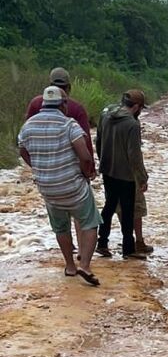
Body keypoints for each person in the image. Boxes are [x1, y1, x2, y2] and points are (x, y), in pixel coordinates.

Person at [17, 86, 101, 286]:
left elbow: (22, 151)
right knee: (89, 222)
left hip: (48, 189)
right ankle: (85, 266)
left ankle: (70, 267)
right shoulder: (69, 125)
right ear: (63, 104)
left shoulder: (28, 126)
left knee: (60, 227)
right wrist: (86, 171)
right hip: (73, 188)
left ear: (43, 104)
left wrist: (37, 168)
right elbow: (85, 156)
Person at [25, 67, 95, 253]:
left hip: (47, 173)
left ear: (49, 84)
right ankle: (82, 252)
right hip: (73, 169)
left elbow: (25, 139)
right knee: (83, 214)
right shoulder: (76, 108)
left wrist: (36, 166)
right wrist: (90, 168)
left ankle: (69, 259)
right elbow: (85, 141)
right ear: (69, 87)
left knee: (59, 219)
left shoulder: (35, 104)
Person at [95, 90, 148, 260]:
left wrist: (102, 160)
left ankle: (102, 243)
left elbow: (98, 140)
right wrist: (142, 177)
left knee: (109, 206)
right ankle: (128, 249)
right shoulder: (132, 124)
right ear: (137, 107)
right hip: (125, 173)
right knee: (127, 210)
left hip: (107, 169)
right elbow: (134, 155)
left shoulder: (106, 115)